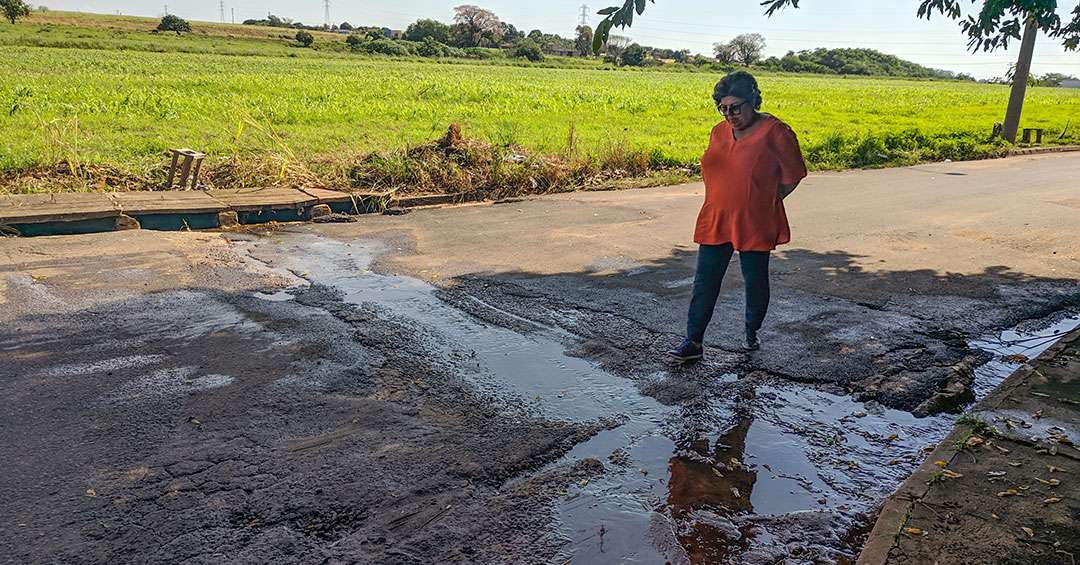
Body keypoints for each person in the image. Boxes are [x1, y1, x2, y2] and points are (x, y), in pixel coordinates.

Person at [668, 71, 807, 361]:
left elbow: (794, 175)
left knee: (754, 281)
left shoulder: (776, 132)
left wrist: (767, 199)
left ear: (753, 100)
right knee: (704, 280)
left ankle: (751, 331)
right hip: (716, 216)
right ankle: (693, 341)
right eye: (723, 108)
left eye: (735, 107)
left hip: (755, 220)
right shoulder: (719, 131)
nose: (729, 114)